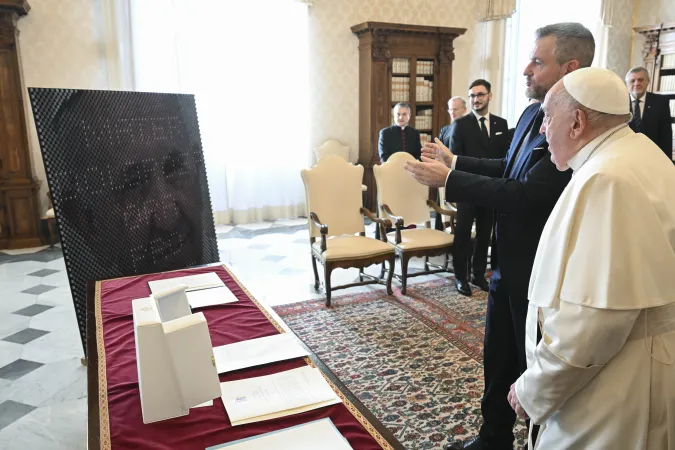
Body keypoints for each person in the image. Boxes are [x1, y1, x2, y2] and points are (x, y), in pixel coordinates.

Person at [404, 22, 595, 450]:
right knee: (498, 358)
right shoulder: (533, 113)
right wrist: (457, 162)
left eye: (537, 61)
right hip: (504, 263)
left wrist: (450, 178)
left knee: (532, 366)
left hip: (539, 272)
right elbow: (508, 167)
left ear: (570, 67)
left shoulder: (577, 124)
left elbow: (529, 193)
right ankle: (492, 439)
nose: (526, 69)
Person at [508, 67, 675, 450]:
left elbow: (594, 322)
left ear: (577, 122)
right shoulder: (640, 152)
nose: (541, 129)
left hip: (617, 380)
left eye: (548, 117)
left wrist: (534, 389)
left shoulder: (607, 179)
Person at [448, 79, 510, 296]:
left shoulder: (501, 125)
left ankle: (477, 274)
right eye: (472, 96)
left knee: (485, 233)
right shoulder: (461, 125)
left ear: (489, 96)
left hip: (492, 188)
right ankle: (460, 277)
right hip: (467, 188)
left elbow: (505, 158)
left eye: (480, 95)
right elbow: (454, 160)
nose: (476, 99)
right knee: (463, 233)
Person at [625, 66, 673, 159]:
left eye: (640, 80)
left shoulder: (661, 102)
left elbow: (666, 136)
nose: (636, 83)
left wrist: (667, 163)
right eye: (632, 81)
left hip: (651, 158)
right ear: (627, 84)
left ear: (648, 82)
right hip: (625, 157)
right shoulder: (619, 102)